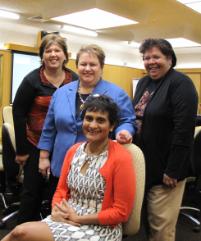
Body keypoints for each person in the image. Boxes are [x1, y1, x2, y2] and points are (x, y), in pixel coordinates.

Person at [2, 95, 136, 241]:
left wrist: (79, 218)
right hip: (67, 217)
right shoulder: (74, 150)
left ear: (112, 126)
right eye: (89, 118)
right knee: (18, 233)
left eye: (101, 120)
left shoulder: (121, 157)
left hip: (101, 228)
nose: (92, 125)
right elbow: (61, 191)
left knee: (20, 233)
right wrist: (56, 210)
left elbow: (121, 212)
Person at [37, 44, 135, 200]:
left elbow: (127, 120)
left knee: (86, 206)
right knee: (58, 204)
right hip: (61, 160)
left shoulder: (117, 93)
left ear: (101, 67)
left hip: (96, 163)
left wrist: (125, 131)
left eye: (93, 64)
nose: (87, 68)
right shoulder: (61, 93)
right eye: (83, 64)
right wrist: (43, 157)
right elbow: (49, 127)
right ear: (77, 66)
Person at [133, 38, 198, 241]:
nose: (151, 61)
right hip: (146, 165)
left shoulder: (181, 83)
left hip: (167, 170)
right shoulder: (144, 82)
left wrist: (173, 170)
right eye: (146, 57)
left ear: (169, 59)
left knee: (161, 228)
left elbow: (184, 130)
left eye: (156, 57)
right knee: (148, 223)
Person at [12, 33, 78, 224]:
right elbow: (18, 114)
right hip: (35, 143)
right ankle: (24, 232)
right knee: (31, 193)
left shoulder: (74, 79)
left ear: (65, 55)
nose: (53, 54)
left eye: (57, 50)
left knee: (57, 192)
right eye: (48, 51)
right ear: (42, 56)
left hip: (63, 146)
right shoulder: (32, 80)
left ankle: (52, 231)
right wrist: (22, 151)